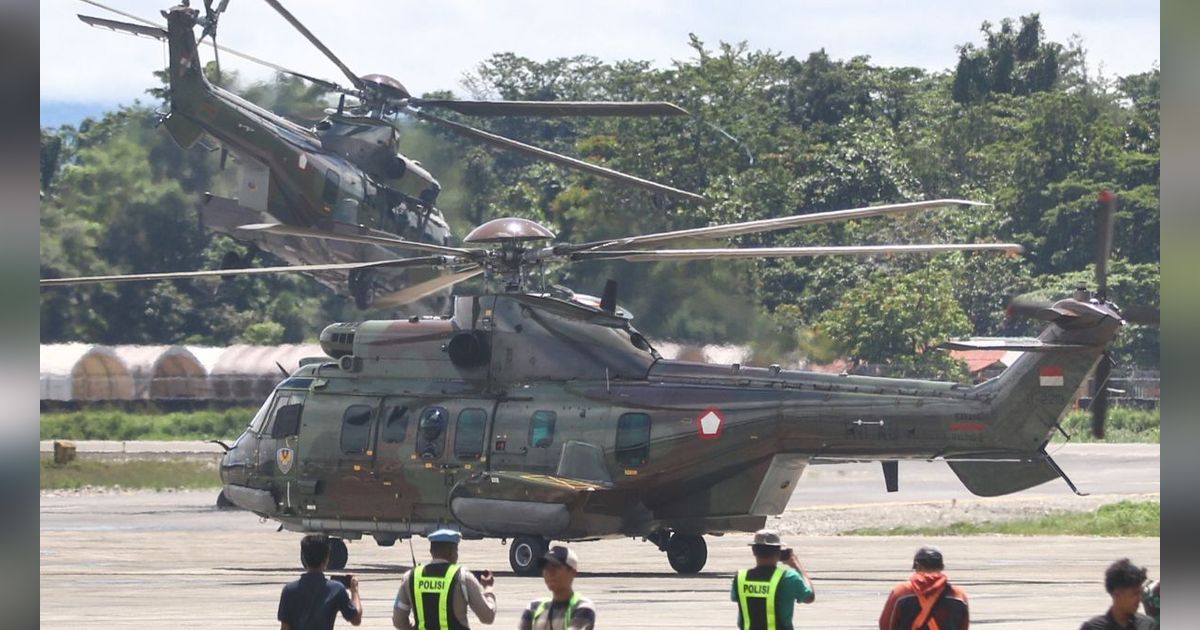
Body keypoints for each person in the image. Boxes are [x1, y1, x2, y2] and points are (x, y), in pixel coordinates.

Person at [393, 528, 497, 629]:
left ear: (431, 551)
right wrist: (488, 590)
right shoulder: (463, 577)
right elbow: (487, 617)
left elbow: (398, 621)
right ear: (452, 552)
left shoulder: (410, 578)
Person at [731, 529, 815, 630]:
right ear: (778, 553)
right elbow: (809, 597)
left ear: (754, 550)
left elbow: (736, 598)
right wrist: (797, 565)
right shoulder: (789, 578)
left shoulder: (740, 578)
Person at [277, 534, 363, 630]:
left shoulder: (289, 590)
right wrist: (354, 590)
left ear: (304, 558)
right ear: (326, 559)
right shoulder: (336, 589)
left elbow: (285, 627)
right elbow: (356, 619)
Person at [878, 546, 968, 630]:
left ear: (918, 566)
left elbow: (886, 625)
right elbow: (963, 626)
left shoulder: (902, 592)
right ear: (941, 567)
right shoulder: (958, 595)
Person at [518, 545, 597, 630]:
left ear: (572, 572)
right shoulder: (534, 607)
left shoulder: (582, 607)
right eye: (546, 568)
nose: (549, 573)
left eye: (555, 568)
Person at [1079, 559, 1158, 629]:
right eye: (1134, 594)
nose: (1139, 599)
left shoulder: (1148, 626)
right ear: (1117, 594)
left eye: (1140, 593)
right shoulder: (1093, 627)